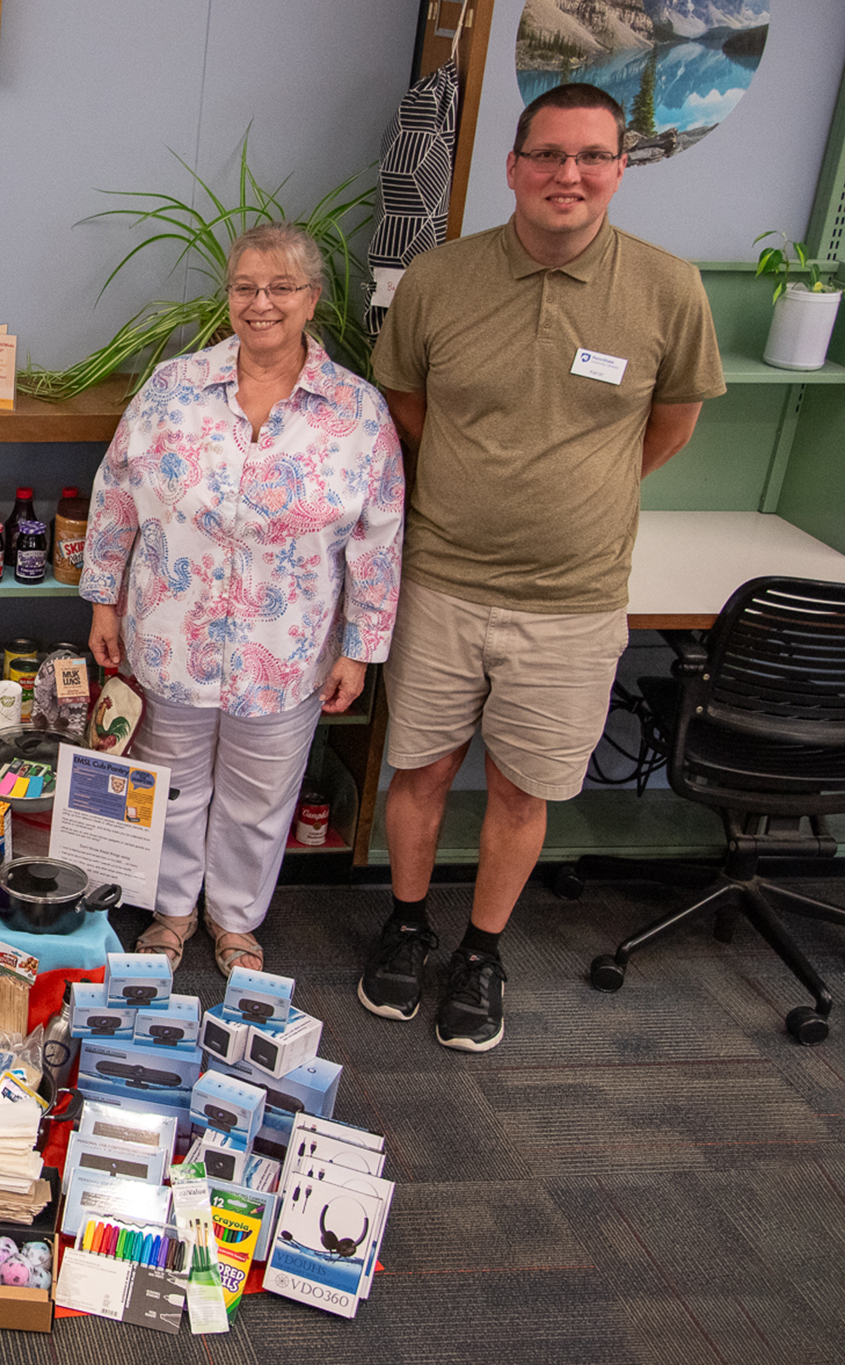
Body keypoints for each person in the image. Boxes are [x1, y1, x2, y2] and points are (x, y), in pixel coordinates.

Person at [363, 83, 726, 1052]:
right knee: (420, 767)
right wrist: (480, 482)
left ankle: (480, 950)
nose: (568, 175)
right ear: (513, 167)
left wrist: (573, 493)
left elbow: (668, 425)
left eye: (591, 157)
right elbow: (402, 398)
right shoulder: (439, 280)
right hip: (441, 577)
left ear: (617, 169)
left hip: (571, 598)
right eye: (549, 155)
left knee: (522, 788)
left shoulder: (664, 288)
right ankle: (405, 925)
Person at [83, 222, 404, 978]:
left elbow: (379, 537)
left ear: (312, 299)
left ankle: (234, 920)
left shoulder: (356, 411)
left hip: (287, 648)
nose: (262, 303)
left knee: (260, 797)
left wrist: (360, 648)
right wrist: (103, 601)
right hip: (169, 632)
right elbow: (116, 495)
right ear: (228, 297)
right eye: (246, 288)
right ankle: (171, 911)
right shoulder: (173, 386)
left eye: (281, 287)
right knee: (171, 783)